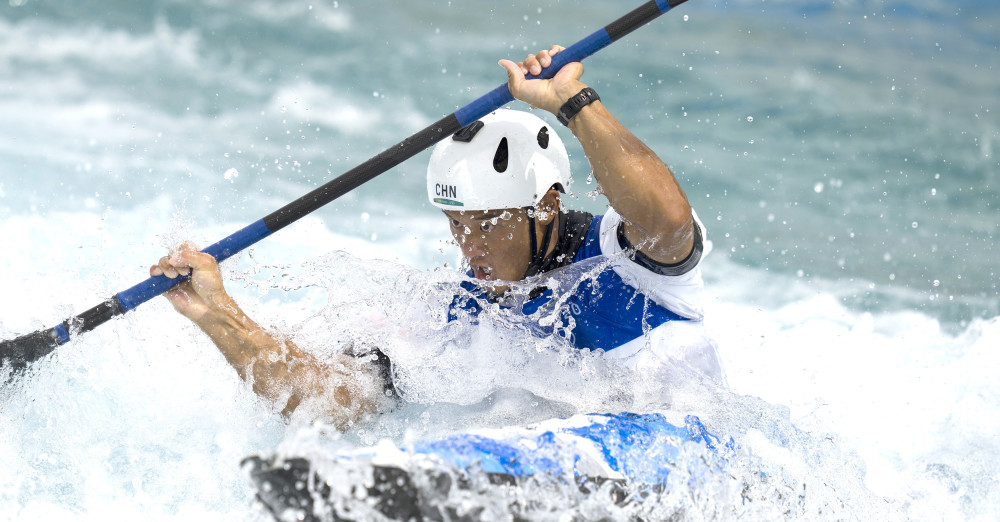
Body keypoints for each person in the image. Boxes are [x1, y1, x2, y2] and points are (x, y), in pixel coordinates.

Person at [151, 45, 721, 428]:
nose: (468, 248)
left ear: (545, 204)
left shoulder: (626, 259)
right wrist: (217, 313)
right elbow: (327, 399)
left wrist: (571, 103)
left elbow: (669, 220)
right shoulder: (453, 315)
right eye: (455, 226)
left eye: (486, 223)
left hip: (688, 466)